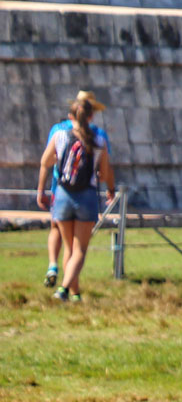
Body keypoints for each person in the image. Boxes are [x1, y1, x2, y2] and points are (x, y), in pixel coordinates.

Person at [36, 91, 116, 303]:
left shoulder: (59, 135)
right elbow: (106, 171)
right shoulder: (99, 138)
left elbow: (45, 162)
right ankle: (63, 290)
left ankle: (75, 293)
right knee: (80, 249)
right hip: (86, 196)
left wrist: (41, 191)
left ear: (72, 115)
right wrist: (110, 188)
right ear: (91, 116)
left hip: (62, 193)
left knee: (69, 248)